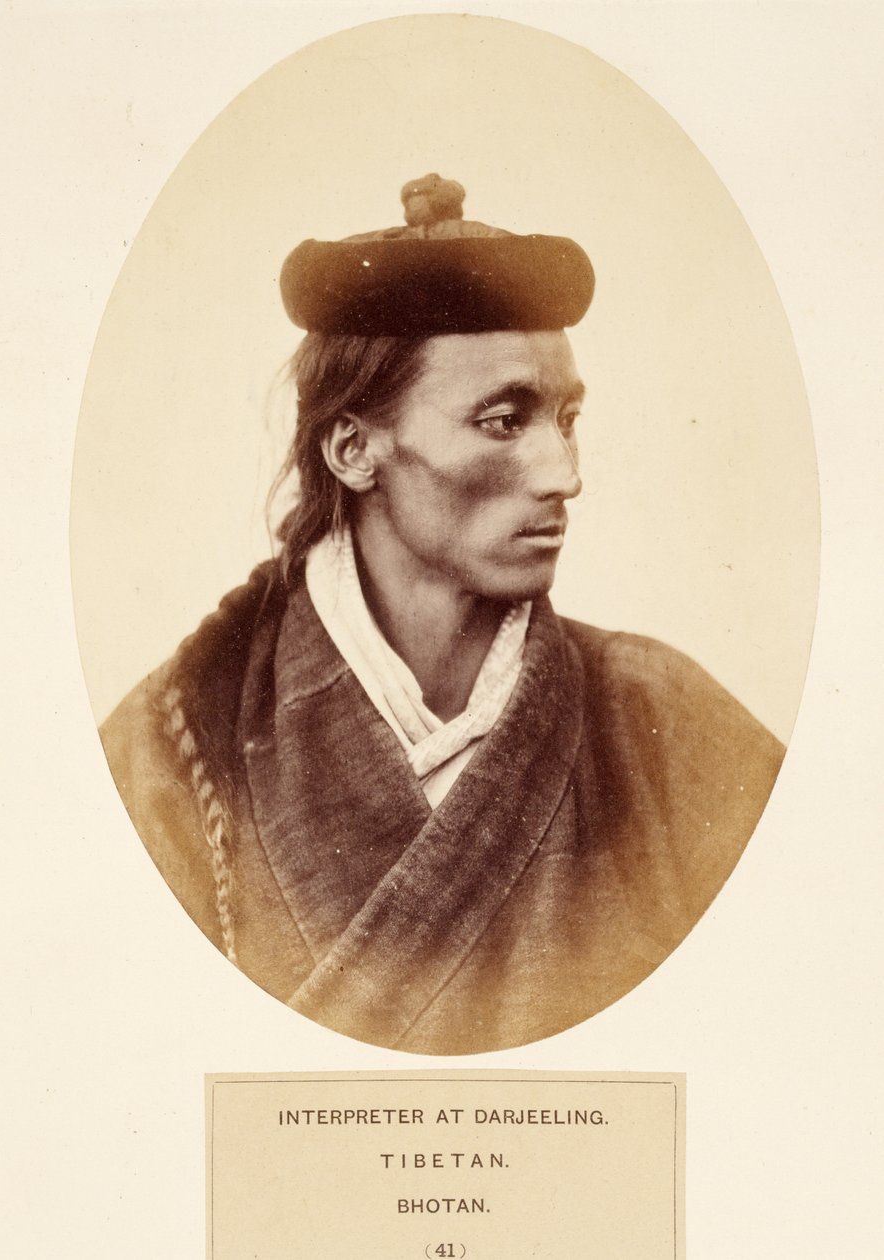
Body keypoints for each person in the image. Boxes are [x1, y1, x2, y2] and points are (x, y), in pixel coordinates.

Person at [101, 174, 784, 1054]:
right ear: (354, 449)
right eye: (503, 421)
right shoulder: (174, 749)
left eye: (566, 419)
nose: (565, 474)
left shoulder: (666, 724)